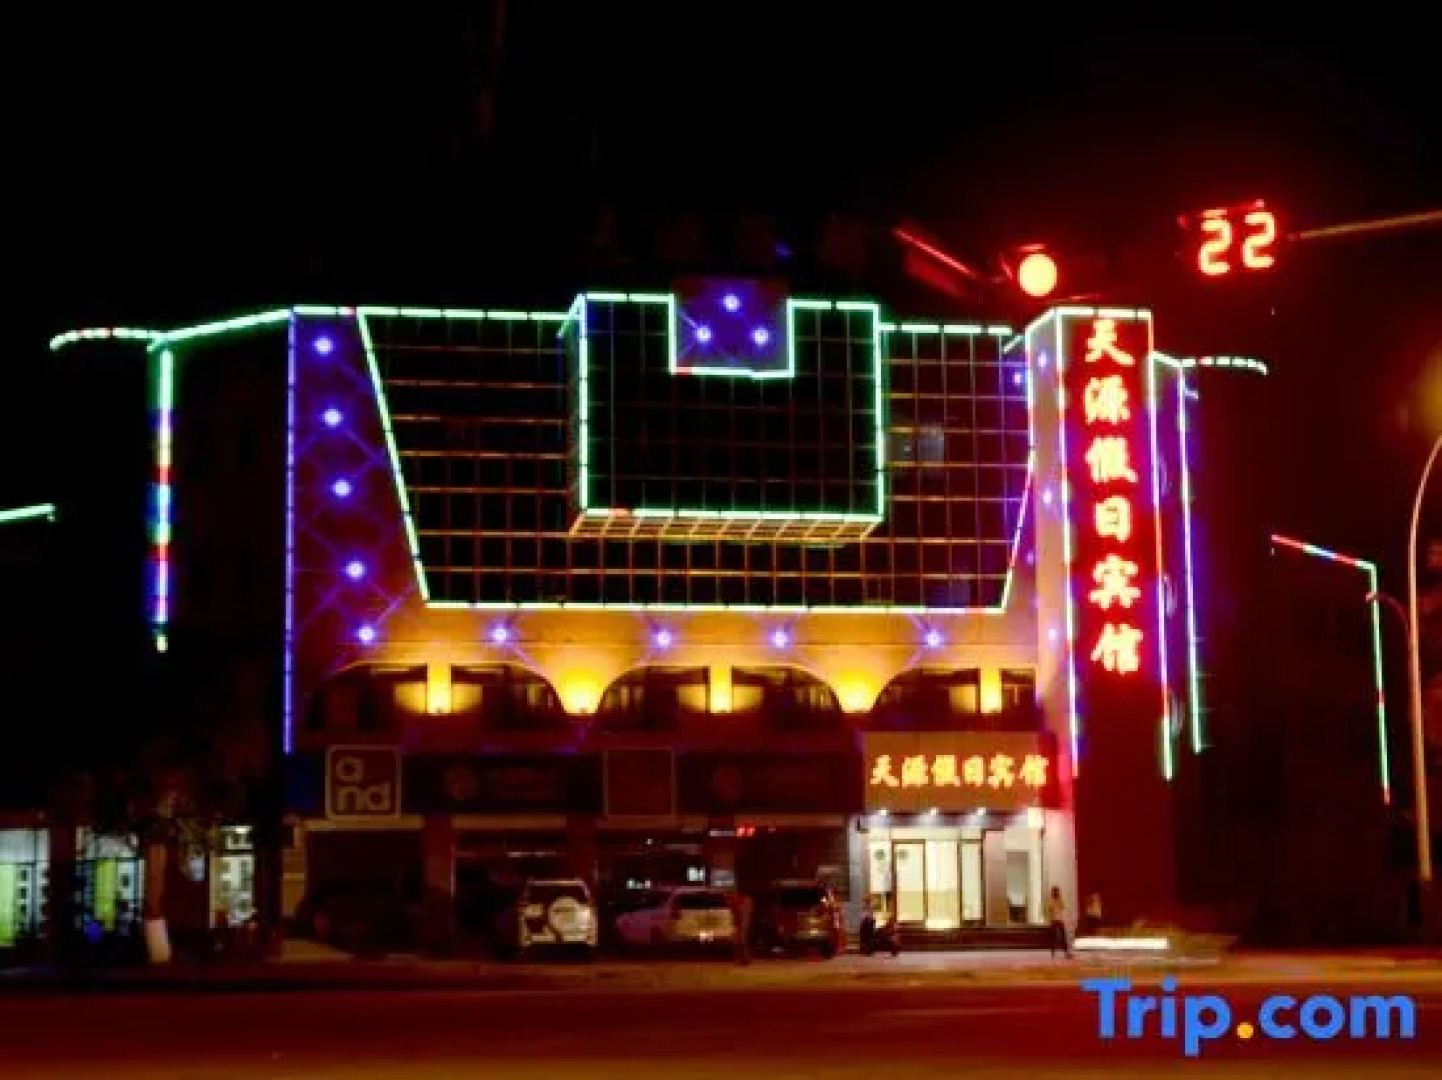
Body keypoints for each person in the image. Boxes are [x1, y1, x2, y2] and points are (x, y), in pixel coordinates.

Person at [1046, 886, 1070, 959]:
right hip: (1053, 920)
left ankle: (1066, 952)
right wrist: (1050, 919)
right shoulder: (1050, 901)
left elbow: (1063, 907)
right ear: (1053, 893)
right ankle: (1053, 952)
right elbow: (1048, 911)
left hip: (1060, 920)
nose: (1057, 893)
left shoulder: (1060, 900)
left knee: (1063, 936)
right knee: (1053, 937)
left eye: (1058, 892)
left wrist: (1059, 900)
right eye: (1056, 892)